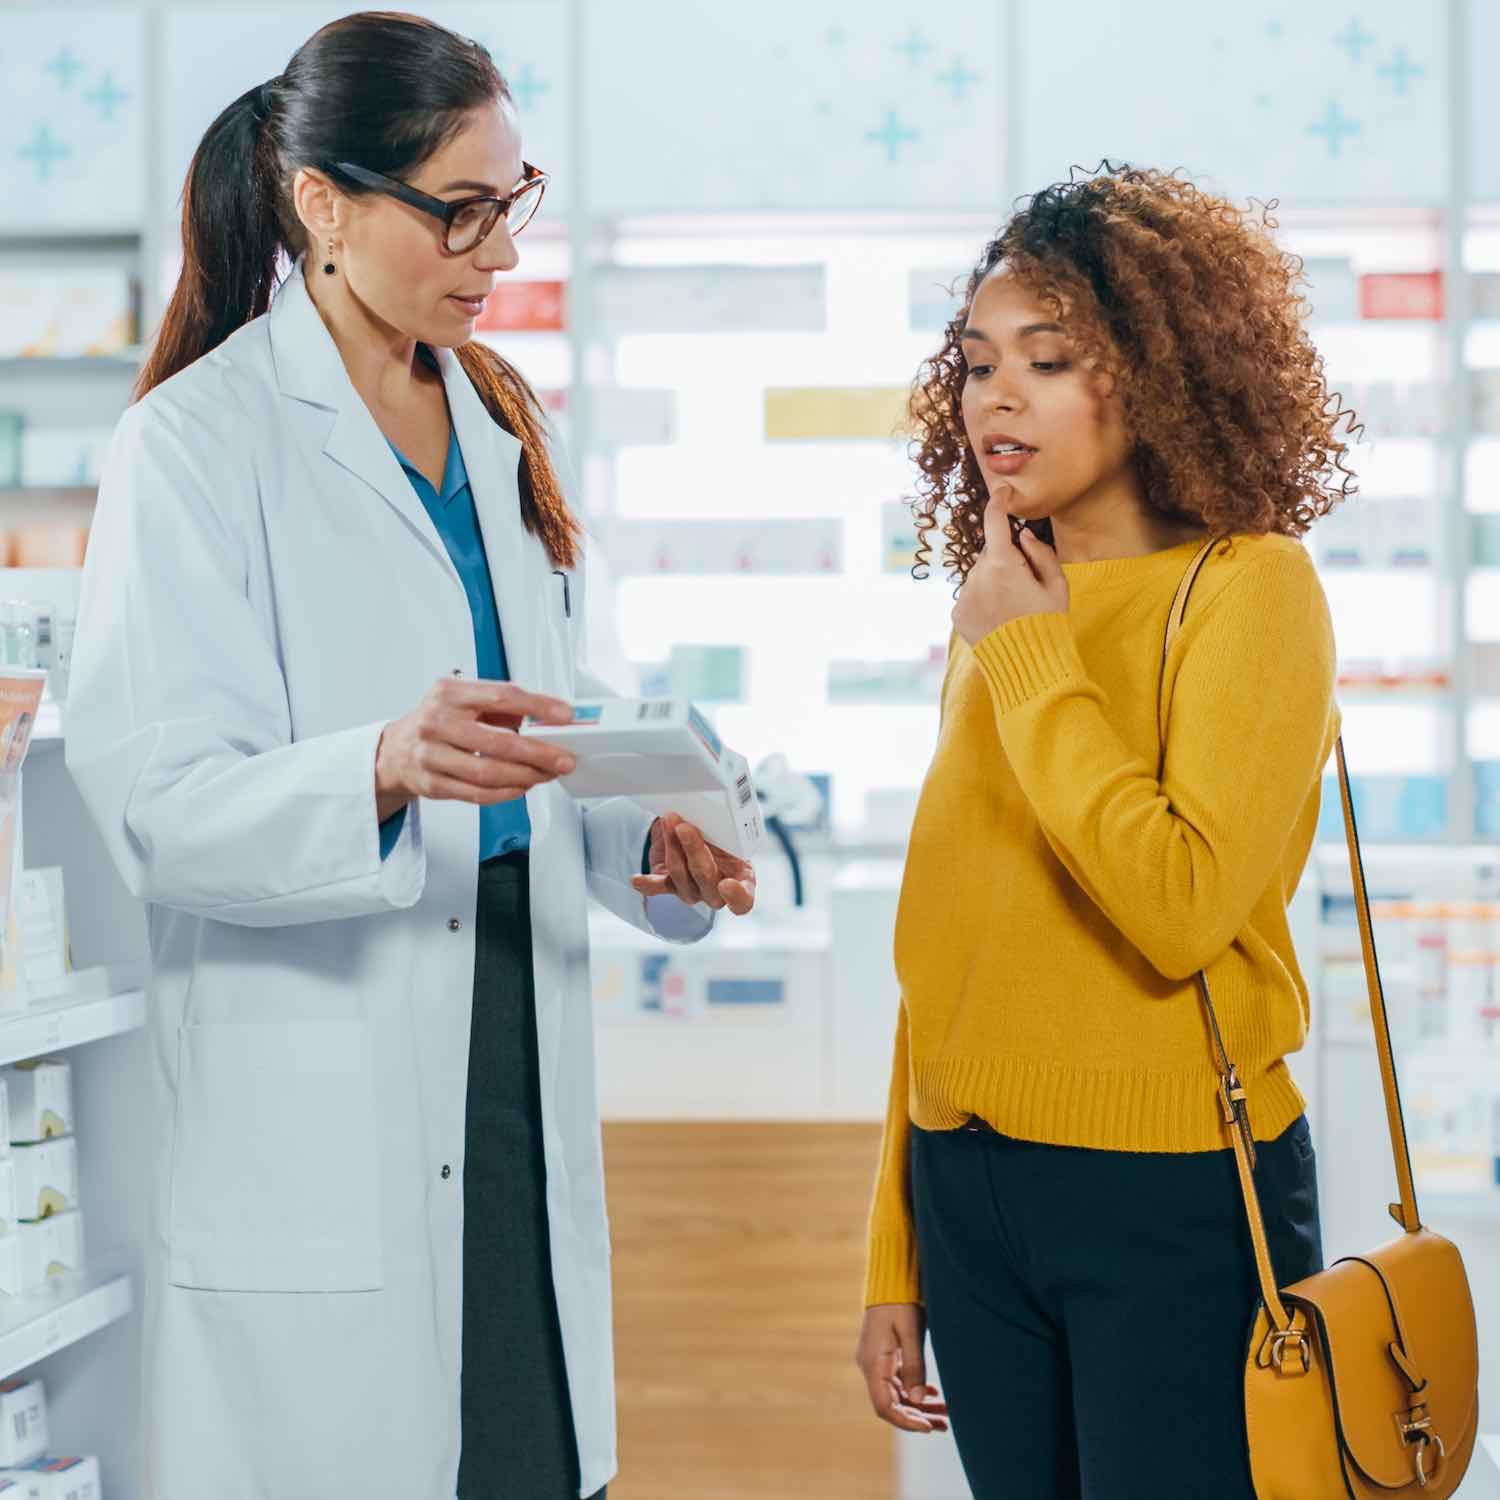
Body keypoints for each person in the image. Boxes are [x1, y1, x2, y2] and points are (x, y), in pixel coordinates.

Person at [64, 13, 755, 1499]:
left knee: (531, 1451)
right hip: (330, 1084)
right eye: (459, 208)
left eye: (512, 202)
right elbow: (157, 808)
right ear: (322, 202)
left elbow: (540, 723)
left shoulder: (503, 424)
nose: (498, 251)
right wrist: (377, 765)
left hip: (509, 1031)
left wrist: (646, 840)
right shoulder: (198, 445)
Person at [854, 163, 1353, 1498]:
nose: (994, 398)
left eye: (1049, 360)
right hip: (971, 1196)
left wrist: (1030, 664)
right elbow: (952, 940)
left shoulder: (1252, 589)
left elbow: (1179, 901)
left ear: (1154, 374)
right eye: (973, 364)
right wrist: (894, 1251)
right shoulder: (1010, 596)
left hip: (1171, 1195)